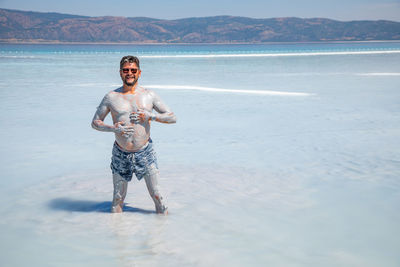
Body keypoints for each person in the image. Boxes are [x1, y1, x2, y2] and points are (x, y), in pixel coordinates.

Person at [91, 55, 176, 214]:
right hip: (120, 153)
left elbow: (172, 117)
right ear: (120, 73)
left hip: (145, 152)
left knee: (158, 197)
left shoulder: (149, 95)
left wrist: (151, 116)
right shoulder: (111, 97)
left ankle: (162, 235)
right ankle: (117, 234)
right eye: (126, 70)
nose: (129, 73)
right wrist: (113, 129)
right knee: (117, 199)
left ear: (139, 72)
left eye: (133, 70)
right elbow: (95, 122)